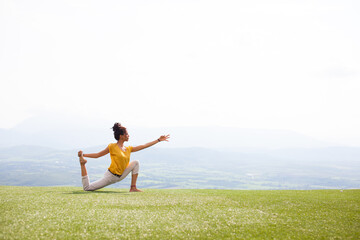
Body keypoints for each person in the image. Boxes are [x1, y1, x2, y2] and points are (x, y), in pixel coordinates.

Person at [77, 122, 170, 192]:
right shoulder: (112, 146)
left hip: (121, 175)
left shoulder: (128, 149)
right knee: (87, 188)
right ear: (121, 136)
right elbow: (98, 155)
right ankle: (82, 164)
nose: (128, 136)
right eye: (127, 134)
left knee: (136, 163)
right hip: (110, 176)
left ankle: (133, 188)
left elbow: (144, 146)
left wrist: (158, 140)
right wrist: (83, 155)